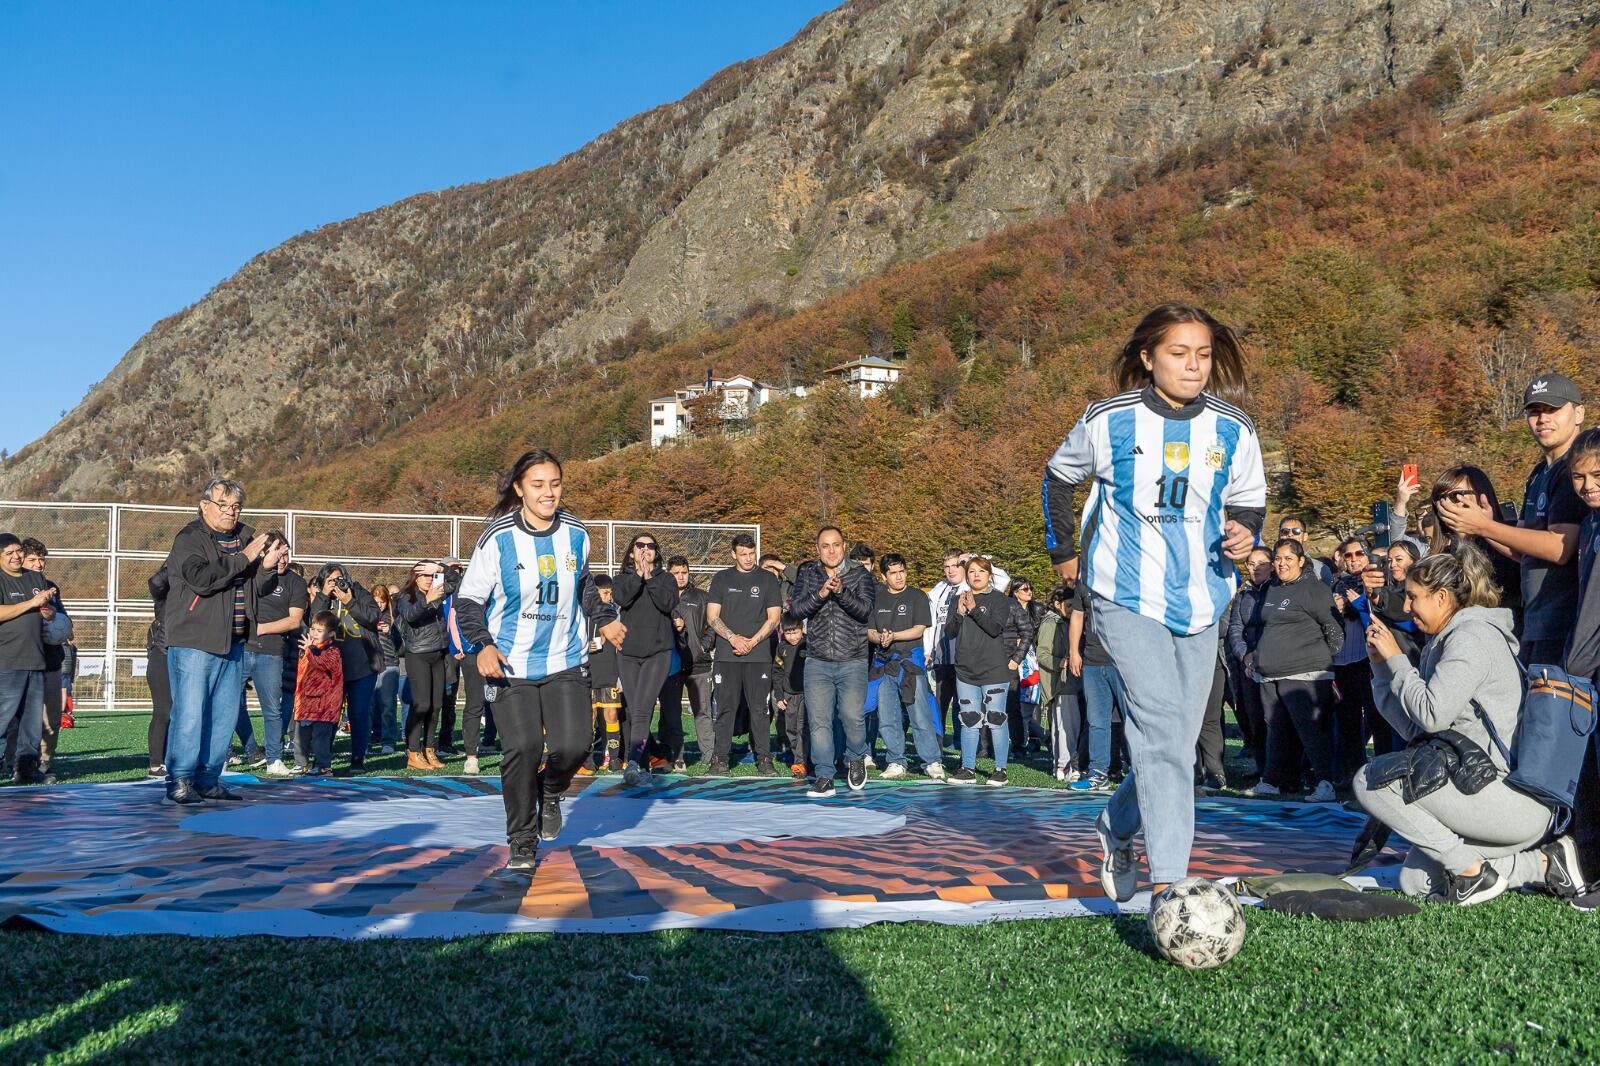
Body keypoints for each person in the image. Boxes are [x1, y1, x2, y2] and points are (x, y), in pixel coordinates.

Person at [1043, 302, 1266, 902]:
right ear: (1148, 357)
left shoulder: (1233, 427)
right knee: (1163, 728)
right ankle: (1172, 885)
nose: (1194, 366)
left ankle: (1115, 825)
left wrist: (1245, 532)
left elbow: (1247, 501)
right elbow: (1058, 478)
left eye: (1203, 354)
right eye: (1178, 353)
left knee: (1177, 737)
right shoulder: (1106, 421)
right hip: (1123, 594)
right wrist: (1062, 550)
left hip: (1202, 596)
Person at [1354, 545, 1566, 905]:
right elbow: (1416, 729)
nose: (1406, 608)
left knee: (1371, 780)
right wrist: (1381, 668)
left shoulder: (1471, 638)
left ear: (1441, 597)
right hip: (1482, 789)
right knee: (1417, 882)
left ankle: (1473, 873)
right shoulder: (1446, 638)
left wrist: (1399, 661)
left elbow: (1431, 714)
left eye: (1412, 597)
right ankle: (1544, 864)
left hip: (1511, 798)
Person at [456, 450, 624, 873]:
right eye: (538, 485)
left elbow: (584, 586)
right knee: (523, 747)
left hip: (565, 658)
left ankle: (550, 790)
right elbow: (469, 600)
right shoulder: (497, 538)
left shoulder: (576, 533)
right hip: (510, 663)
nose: (548, 493)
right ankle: (522, 838)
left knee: (574, 745)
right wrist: (483, 645)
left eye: (555, 484)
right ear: (519, 490)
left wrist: (603, 619)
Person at [1437, 373, 1586, 666]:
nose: (1542, 419)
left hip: (1566, 624)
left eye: (1553, 409)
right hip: (1537, 621)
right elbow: (1525, 554)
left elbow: (1560, 548)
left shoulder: (1576, 470)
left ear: (1579, 412)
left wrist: (1485, 526)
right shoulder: (1539, 473)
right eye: (1534, 411)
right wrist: (1488, 527)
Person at [161, 478, 286, 805]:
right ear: (205, 506)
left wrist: (268, 567)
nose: (231, 512)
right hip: (193, 640)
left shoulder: (246, 536)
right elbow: (202, 580)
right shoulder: (189, 538)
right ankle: (180, 779)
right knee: (190, 714)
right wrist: (245, 557)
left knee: (224, 716)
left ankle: (208, 779)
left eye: (236, 506)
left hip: (234, 641)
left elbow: (255, 588)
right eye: (224, 505)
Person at [1244, 539, 1345, 801]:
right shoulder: (1271, 588)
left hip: (1305, 672)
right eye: (1278, 558)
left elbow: (1333, 629)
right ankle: (1273, 780)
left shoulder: (1315, 589)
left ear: (1301, 560)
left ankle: (1325, 782)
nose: (1282, 563)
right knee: (1276, 729)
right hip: (1269, 672)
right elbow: (1267, 627)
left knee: (1310, 730)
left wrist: (1319, 657)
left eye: (1288, 558)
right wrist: (1256, 655)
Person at [791, 526, 876, 798]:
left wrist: (841, 592)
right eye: (825, 546)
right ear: (817, 549)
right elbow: (796, 610)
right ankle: (825, 775)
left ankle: (855, 757)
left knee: (852, 717)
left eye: (836, 545)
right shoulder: (808, 574)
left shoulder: (859, 574)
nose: (831, 550)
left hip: (852, 659)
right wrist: (821, 594)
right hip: (817, 660)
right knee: (819, 722)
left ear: (844, 546)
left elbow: (865, 611)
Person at [945, 556, 1033, 786]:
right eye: (972, 571)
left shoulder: (999, 600)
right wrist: (960, 613)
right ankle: (967, 768)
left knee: (996, 718)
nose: (976, 575)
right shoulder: (959, 598)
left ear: (989, 575)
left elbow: (995, 628)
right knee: (969, 720)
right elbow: (950, 632)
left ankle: (1000, 769)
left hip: (994, 670)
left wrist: (974, 610)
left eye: (981, 571)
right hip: (966, 670)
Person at [1559, 429, 1600, 910]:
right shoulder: (1590, 524)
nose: (1588, 486)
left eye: (1597, 475)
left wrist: (1575, 664)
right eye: (1578, 478)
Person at [705, 532, 783, 776]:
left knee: (760, 709)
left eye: (752, 553)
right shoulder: (721, 579)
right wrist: (733, 638)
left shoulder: (768, 580)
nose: (748, 558)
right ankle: (720, 761)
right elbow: (712, 616)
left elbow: (774, 618)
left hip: (758, 655)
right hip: (727, 656)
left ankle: (764, 760)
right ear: (733, 554)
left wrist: (753, 641)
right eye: (743, 554)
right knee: (726, 708)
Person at [611, 533, 679, 784]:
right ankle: (645, 764)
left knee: (642, 708)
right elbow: (622, 598)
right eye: (640, 545)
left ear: (656, 553)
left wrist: (649, 576)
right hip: (628, 653)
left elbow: (667, 603)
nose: (645, 549)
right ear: (631, 552)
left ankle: (633, 763)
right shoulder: (622, 579)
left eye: (650, 546)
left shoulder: (666, 579)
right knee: (635, 709)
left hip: (657, 653)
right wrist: (638, 576)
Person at [868, 552, 939, 779]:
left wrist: (894, 636)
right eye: (893, 573)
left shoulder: (917, 596)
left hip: (910, 661)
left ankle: (932, 760)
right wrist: (880, 638)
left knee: (919, 713)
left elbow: (919, 628)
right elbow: (868, 631)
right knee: (887, 716)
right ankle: (896, 760)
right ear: (883, 575)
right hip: (883, 663)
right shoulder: (876, 599)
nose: (899, 577)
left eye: (902, 571)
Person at [310, 562, 383, 770]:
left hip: (362, 667)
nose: (336, 584)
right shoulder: (324, 600)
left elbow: (373, 617)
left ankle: (358, 758)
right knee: (328, 715)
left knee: (359, 713)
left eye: (339, 579)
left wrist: (349, 600)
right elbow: (312, 621)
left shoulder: (358, 593)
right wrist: (324, 595)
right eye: (331, 580)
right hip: (331, 670)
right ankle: (322, 759)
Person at [0, 532, 57, 785]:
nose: (16, 556)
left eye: (18, 551)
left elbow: (48, 612)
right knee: (2, 721)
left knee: (31, 723)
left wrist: (47, 611)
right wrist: (32, 602)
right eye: (8, 553)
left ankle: (26, 770)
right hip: (7, 661)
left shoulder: (35, 577)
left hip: (35, 659)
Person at [1426, 466, 1521, 617]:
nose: (1447, 505)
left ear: (1481, 495)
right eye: (1440, 499)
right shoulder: (1439, 556)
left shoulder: (1511, 540)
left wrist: (1485, 529)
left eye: (1457, 495)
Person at [248, 538, 306, 777]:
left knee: (272, 709)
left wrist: (261, 628)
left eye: (285, 554)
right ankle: (221, 757)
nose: (282, 559)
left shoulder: (296, 582)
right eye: (277, 553)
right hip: (240, 649)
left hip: (271, 652)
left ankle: (274, 759)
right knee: (228, 706)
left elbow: (294, 620)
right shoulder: (251, 575)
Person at [395, 560, 455, 771]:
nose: (429, 579)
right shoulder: (405, 596)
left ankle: (430, 749)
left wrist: (442, 569)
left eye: (431, 575)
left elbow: (457, 582)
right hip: (418, 654)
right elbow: (411, 616)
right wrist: (426, 601)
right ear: (415, 577)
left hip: (438, 653)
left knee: (437, 704)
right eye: (425, 575)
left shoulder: (437, 591)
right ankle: (413, 752)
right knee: (421, 705)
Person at [1329, 537, 1380, 786]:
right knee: (1347, 722)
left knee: (1376, 719)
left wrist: (1356, 605)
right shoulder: (1336, 585)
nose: (1354, 559)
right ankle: (1351, 774)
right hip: (1341, 661)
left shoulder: (1377, 580)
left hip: (1368, 660)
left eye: (1359, 553)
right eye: (1348, 555)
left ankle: (1380, 774)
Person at [20, 538, 71, 776]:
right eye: (32, 559)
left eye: (41, 559)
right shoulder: (11, 585)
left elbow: (63, 622)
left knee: (51, 719)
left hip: (50, 661)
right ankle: (14, 762)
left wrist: (53, 616)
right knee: (16, 718)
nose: (38, 564)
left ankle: (44, 761)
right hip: (19, 660)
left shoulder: (51, 586)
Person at [661, 555, 713, 772]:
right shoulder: (661, 597)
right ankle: (675, 756)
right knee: (670, 713)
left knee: (703, 712)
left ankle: (710, 757)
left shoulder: (702, 596)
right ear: (668, 574)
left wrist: (703, 646)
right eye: (676, 573)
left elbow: (713, 624)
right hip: (670, 665)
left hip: (699, 665)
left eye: (684, 572)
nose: (681, 577)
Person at [1225, 547, 1274, 776]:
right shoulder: (1243, 595)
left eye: (1261, 563)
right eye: (1251, 564)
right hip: (1247, 666)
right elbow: (1236, 628)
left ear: (1272, 565)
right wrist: (1244, 655)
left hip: (1273, 661)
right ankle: (1262, 767)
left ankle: (1285, 770)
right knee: (1254, 719)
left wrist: (1260, 654)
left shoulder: (1277, 592)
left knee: (1275, 720)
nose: (1255, 568)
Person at [293, 611, 344, 776]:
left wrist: (310, 650)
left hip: (325, 705)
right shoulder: (307, 648)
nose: (314, 633)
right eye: (313, 629)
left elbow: (322, 664)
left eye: (319, 631)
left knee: (320, 738)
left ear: (330, 634)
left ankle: (323, 766)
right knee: (300, 737)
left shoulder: (333, 651)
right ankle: (301, 764)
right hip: (306, 702)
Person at [925, 548, 968, 741]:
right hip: (941, 657)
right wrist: (928, 650)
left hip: (963, 658)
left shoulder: (973, 585)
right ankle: (938, 746)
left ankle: (963, 745)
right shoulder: (939, 589)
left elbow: (1003, 579)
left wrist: (973, 558)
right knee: (939, 704)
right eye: (947, 567)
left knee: (964, 704)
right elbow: (929, 623)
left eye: (955, 566)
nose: (951, 571)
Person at [1037, 584, 1079, 781]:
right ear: (1057, 604)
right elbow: (1042, 654)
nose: (1072, 610)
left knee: (1070, 724)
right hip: (1061, 682)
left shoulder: (1071, 621)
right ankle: (1063, 764)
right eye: (1069, 605)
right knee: (1065, 725)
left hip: (1074, 680)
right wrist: (1060, 662)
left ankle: (1066, 763)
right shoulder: (1051, 623)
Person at [583, 574, 624, 774]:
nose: (609, 597)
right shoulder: (583, 615)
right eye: (605, 593)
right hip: (588, 673)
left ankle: (613, 758)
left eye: (611, 594)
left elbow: (622, 647)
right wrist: (585, 646)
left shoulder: (615, 614)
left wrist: (621, 677)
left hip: (609, 672)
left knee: (611, 714)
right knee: (589, 716)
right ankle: (588, 759)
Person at [773, 614, 808, 779]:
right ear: (782, 632)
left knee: (804, 728)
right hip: (789, 696)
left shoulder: (809, 644)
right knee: (791, 729)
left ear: (802, 629)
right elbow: (777, 672)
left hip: (807, 695)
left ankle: (802, 762)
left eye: (795, 632)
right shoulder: (781, 648)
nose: (792, 637)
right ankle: (799, 757)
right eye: (788, 633)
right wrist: (779, 696)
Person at [146, 564, 173, 777]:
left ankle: (177, 757)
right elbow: (155, 582)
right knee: (164, 710)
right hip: (163, 654)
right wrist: (176, 563)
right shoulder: (166, 590)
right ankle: (156, 763)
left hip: (188, 655)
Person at [371, 582, 404, 758]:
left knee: (387, 705)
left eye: (382, 602)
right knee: (369, 706)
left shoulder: (394, 617)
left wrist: (391, 631)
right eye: (376, 601)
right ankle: (371, 737)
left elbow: (401, 644)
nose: (379, 605)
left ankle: (388, 741)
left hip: (389, 664)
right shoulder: (367, 616)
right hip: (370, 665)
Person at [1274, 516, 1333, 584]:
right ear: (1279, 536)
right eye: (1285, 531)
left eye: (1296, 531)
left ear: (1305, 536)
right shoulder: (1267, 566)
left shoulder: (1319, 569)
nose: (1290, 534)